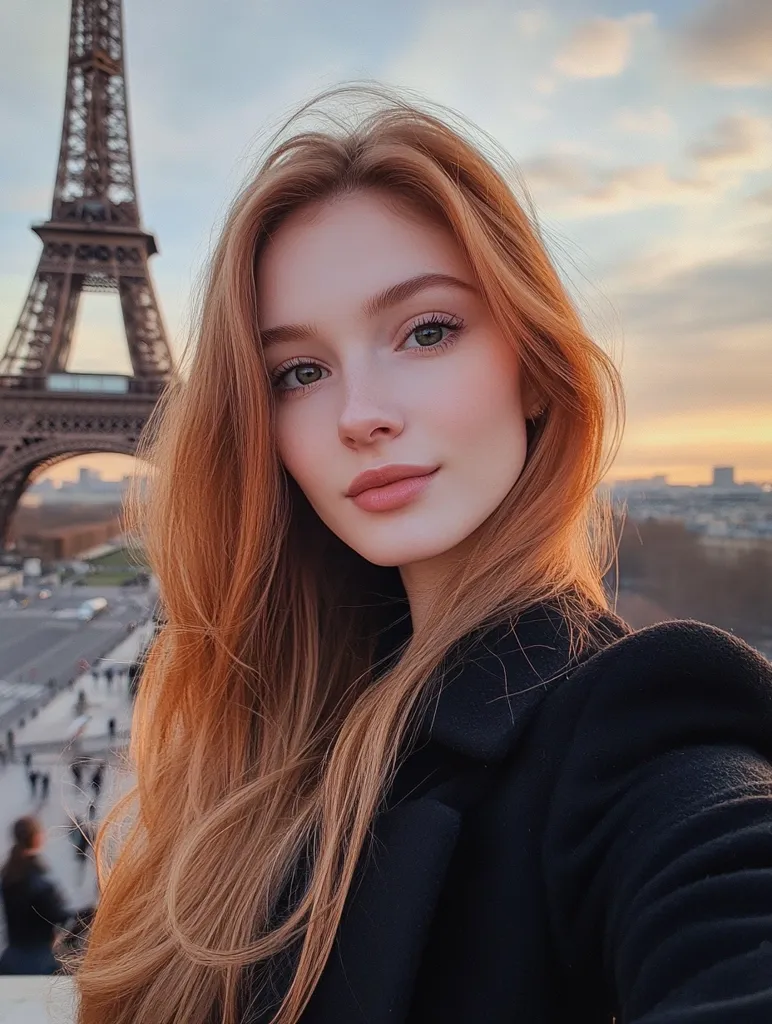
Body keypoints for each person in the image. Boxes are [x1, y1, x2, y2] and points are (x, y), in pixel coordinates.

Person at [73, 84, 772, 1024]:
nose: (361, 413)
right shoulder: (276, 731)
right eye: (300, 372)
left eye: (427, 330)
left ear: (533, 366)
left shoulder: (638, 725)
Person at [0, 816, 72, 974]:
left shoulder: (9, 874)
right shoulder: (40, 879)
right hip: (40, 959)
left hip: (12, 957)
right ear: (37, 838)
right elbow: (58, 915)